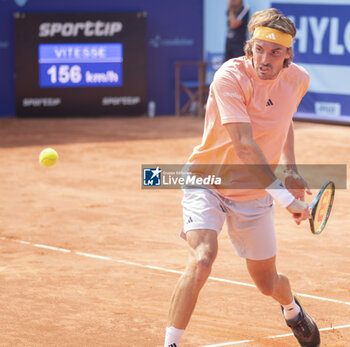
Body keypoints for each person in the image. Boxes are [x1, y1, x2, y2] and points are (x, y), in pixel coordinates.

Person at [164, 8, 321, 347]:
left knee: (267, 283)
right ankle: (170, 343)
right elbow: (245, 145)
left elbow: (282, 116)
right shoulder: (229, 77)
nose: (265, 58)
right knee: (203, 257)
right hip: (205, 181)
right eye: (259, 48)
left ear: (288, 55)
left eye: (275, 52)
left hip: (252, 193)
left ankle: (291, 308)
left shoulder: (298, 79)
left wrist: (290, 165)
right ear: (249, 47)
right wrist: (287, 199)